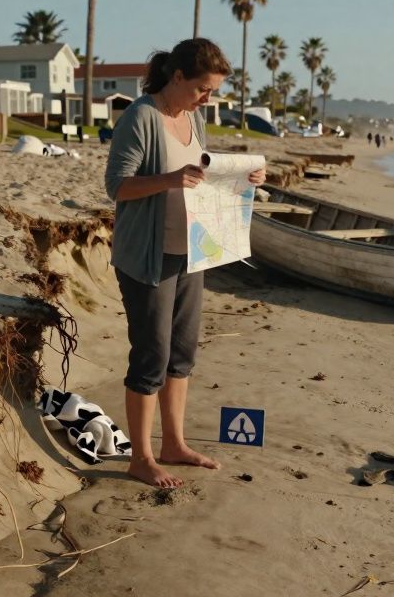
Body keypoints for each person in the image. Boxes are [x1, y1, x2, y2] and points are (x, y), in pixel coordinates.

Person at [104, 38, 266, 489]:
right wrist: (170, 180)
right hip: (148, 257)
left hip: (194, 252)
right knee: (151, 356)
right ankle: (142, 457)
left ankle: (174, 443)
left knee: (182, 353)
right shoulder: (141, 117)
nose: (208, 99)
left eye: (212, 91)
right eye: (203, 89)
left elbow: (205, 174)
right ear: (177, 77)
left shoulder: (193, 119)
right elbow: (117, 186)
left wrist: (245, 177)